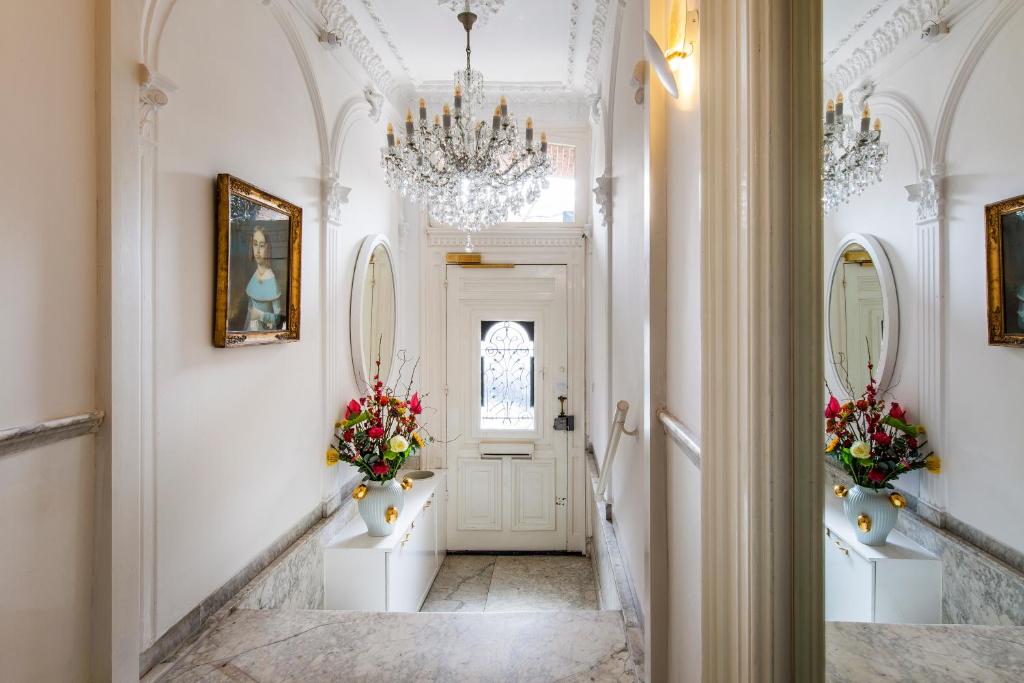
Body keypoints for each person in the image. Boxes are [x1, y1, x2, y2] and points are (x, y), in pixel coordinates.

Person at [244, 228, 283, 330]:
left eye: (261, 246)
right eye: (255, 244)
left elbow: (278, 318)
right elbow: (250, 311)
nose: (257, 251)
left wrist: (260, 315)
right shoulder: (254, 276)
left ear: (267, 248)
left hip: (265, 333)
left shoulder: (271, 279)